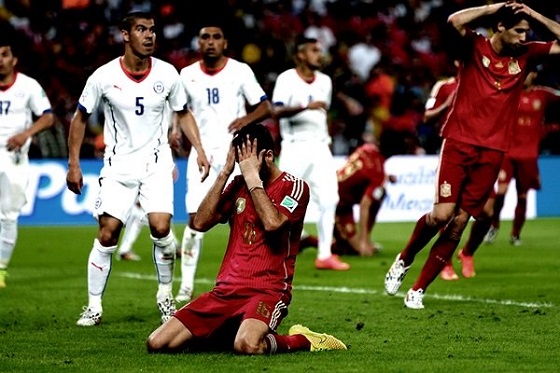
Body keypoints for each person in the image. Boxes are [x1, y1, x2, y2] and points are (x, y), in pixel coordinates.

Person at [383, 1, 560, 309]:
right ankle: (405, 257)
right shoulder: (474, 46)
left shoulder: (527, 54)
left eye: (526, 31)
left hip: (494, 150)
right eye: (519, 31)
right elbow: (453, 21)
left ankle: (419, 290)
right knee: (441, 215)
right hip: (459, 141)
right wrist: (493, 7)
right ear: (500, 28)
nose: (524, 37)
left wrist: (531, 13)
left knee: (459, 222)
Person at [146, 123, 347, 354]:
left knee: (248, 345)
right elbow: (200, 223)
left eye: (248, 160)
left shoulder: (295, 187)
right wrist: (223, 174)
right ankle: (230, 331)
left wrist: (253, 178)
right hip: (225, 291)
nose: (244, 167)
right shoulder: (237, 183)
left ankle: (305, 340)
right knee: (158, 343)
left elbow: (273, 224)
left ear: (269, 156)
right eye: (240, 161)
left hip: (267, 291)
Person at [66, 11, 210, 326]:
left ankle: (165, 296)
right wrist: (74, 163)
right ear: (125, 35)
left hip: (157, 163)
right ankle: (93, 306)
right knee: (107, 234)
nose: (149, 36)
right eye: (142, 29)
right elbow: (79, 117)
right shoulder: (103, 76)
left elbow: (183, 113)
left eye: (153, 30)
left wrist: (199, 149)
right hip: (118, 166)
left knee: (160, 228)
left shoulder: (168, 74)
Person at [174, 24, 271, 303]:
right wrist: (173, 131)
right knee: (195, 219)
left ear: (225, 43)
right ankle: (186, 285)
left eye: (217, 37)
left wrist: (247, 120)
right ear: (198, 42)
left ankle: (244, 277)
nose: (211, 42)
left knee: (241, 218)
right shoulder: (187, 74)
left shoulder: (240, 71)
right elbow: (180, 110)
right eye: (205, 37)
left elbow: (265, 106)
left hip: (237, 153)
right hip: (201, 154)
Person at [272, 36, 350, 271]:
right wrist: (306, 106)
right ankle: (274, 251)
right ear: (300, 55)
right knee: (285, 201)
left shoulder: (325, 81)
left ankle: (324, 254)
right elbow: (276, 110)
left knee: (329, 199)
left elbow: (321, 114)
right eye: (314, 50)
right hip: (295, 146)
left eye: (320, 50)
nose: (320, 54)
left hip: (320, 147)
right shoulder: (286, 79)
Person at [0, 35, 55, 288]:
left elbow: (48, 117)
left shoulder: (28, 86)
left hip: (14, 156)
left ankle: (0, 269)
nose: (0, 61)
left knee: (9, 216)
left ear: (14, 60)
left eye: (4, 55)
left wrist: (25, 134)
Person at [484, 67, 560, 246]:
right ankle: (493, 226)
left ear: (534, 76)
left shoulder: (542, 94)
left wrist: (549, 128)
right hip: (508, 153)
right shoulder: (509, 92)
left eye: (529, 73)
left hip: (529, 155)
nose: (525, 77)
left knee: (523, 196)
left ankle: (515, 234)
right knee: (500, 193)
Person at [299, 142, 396, 257]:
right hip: (336, 203)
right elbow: (365, 205)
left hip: (338, 194)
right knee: (353, 250)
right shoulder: (378, 172)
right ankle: (307, 240)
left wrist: (385, 176)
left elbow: (359, 167)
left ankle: (363, 240)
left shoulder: (367, 148)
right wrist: (363, 244)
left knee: (380, 193)